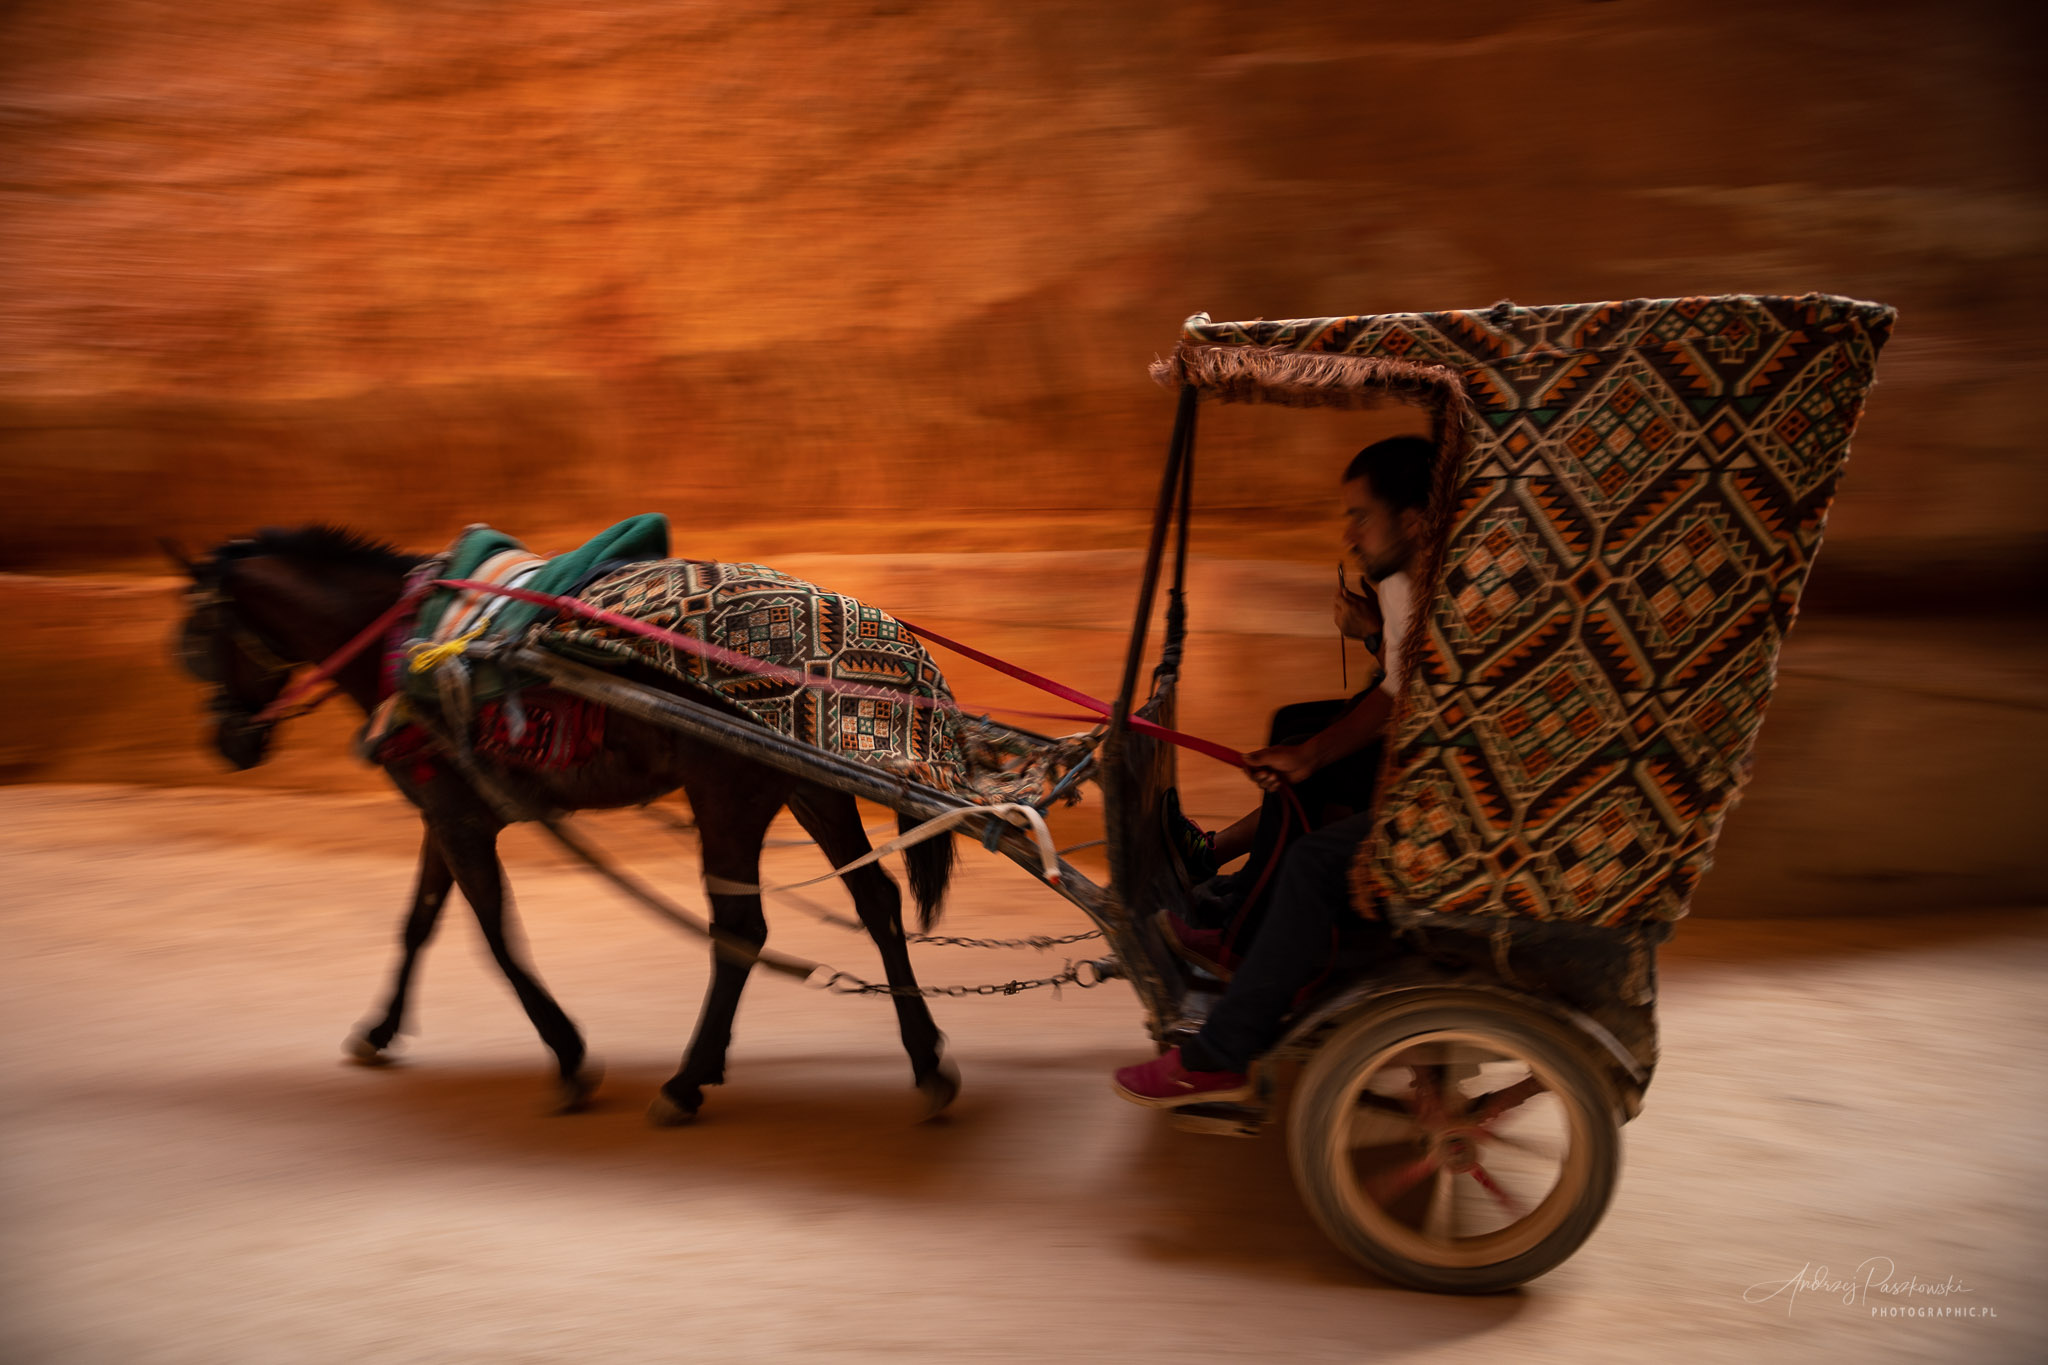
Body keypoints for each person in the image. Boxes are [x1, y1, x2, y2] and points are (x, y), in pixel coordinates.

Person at [1114, 433, 1437, 1107]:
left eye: (1360, 515)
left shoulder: (1416, 579)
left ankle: (1222, 1049)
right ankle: (1243, 922)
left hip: (1445, 788)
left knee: (1315, 858)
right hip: (1434, 757)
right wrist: (1373, 631)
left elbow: (1398, 694)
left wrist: (1312, 753)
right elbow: (1406, 681)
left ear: (1411, 522)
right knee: (1298, 737)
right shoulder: (1414, 578)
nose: (1348, 531)